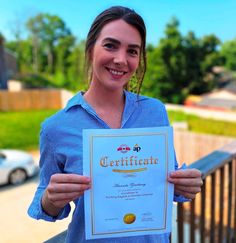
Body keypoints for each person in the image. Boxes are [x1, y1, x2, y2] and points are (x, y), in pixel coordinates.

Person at [28, 6, 203, 243]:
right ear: (90, 50)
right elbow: (44, 200)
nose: (121, 60)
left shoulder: (155, 111)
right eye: (110, 45)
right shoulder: (56, 128)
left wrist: (185, 185)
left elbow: (166, 180)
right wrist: (49, 200)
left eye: (132, 51)